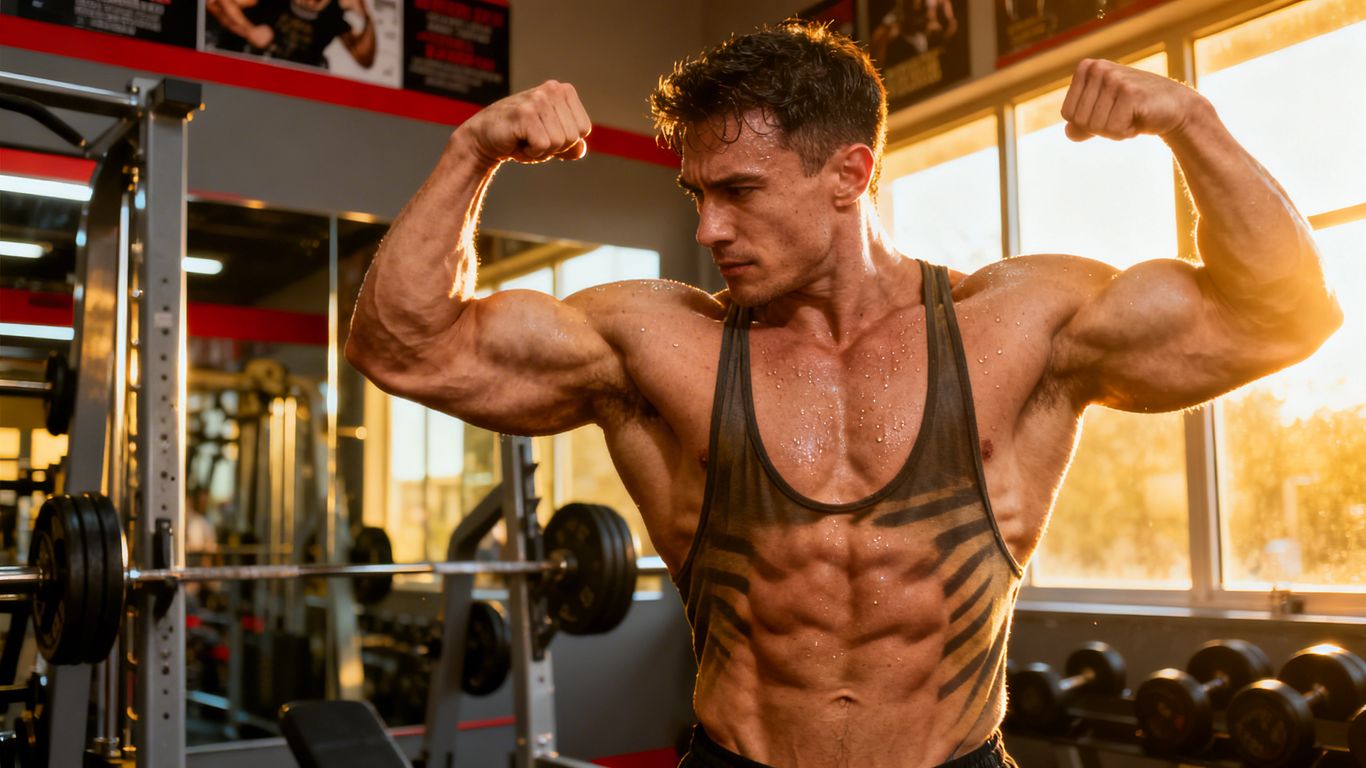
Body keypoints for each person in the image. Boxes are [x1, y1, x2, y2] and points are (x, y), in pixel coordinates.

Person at [345, 21, 1341, 768]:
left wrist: (1191, 121)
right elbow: (404, 346)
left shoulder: (1017, 328)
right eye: (698, 194)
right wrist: (472, 150)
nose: (708, 229)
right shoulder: (658, 343)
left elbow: (1281, 316)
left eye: (739, 190)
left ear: (848, 173)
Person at [206, 0, 375, 69]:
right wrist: (248, 30)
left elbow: (365, 58)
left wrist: (367, 16)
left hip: (292, 92)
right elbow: (214, 3)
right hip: (248, 74)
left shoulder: (332, 16)